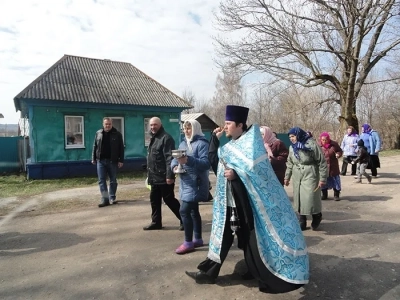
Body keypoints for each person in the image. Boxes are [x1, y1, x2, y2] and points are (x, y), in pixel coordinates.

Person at [186, 105, 309, 294]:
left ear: (240, 125)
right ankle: (209, 273)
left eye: (228, 123)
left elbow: (256, 173)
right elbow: (215, 162)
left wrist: (237, 174)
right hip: (230, 201)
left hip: (247, 203)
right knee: (226, 237)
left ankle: (258, 272)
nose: (225, 127)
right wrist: (214, 141)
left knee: (248, 238)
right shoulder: (231, 145)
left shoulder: (251, 145)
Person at [171, 120, 210, 254]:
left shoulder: (202, 144)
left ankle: (188, 242)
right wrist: (174, 166)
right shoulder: (183, 143)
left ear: (195, 129)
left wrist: (188, 160)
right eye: (185, 129)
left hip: (196, 183)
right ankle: (198, 238)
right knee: (193, 211)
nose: (187, 131)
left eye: (189, 128)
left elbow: (206, 163)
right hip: (184, 182)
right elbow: (174, 158)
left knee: (184, 211)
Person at [284, 127, 328, 231]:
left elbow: (322, 162)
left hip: (310, 173)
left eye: (293, 136)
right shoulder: (292, 147)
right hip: (297, 174)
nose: (291, 139)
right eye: (290, 137)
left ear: (299, 135)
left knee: (310, 197)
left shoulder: (311, 145)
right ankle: (302, 220)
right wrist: (287, 177)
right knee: (298, 198)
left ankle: (317, 215)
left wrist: (322, 179)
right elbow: (290, 162)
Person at [144, 117, 183, 231]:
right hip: (154, 176)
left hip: (164, 176)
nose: (153, 127)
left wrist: (170, 176)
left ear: (160, 125)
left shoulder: (166, 138)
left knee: (169, 199)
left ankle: (185, 220)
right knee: (154, 200)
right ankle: (156, 222)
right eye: (151, 125)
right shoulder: (153, 138)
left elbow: (169, 158)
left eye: (155, 125)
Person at [91, 117, 124, 207]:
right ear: (103, 124)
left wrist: (121, 160)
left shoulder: (117, 134)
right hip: (100, 161)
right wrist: (93, 158)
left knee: (113, 180)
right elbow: (95, 146)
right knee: (101, 180)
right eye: (106, 124)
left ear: (111, 124)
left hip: (112, 161)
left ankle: (112, 197)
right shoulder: (98, 133)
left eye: (109, 124)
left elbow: (121, 148)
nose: (107, 125)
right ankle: (105, 199)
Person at [318, 132, 343, 201]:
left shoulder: (334, 144)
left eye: (325, 140)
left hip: (333, 166)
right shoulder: (318, 146)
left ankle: (336, 195)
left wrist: (338, 154)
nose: (324, 141)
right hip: (323, 167)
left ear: (328, 139)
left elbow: (340, 151)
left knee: (335, 181)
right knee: (324, 181)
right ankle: (324, 194)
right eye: (322, 140)